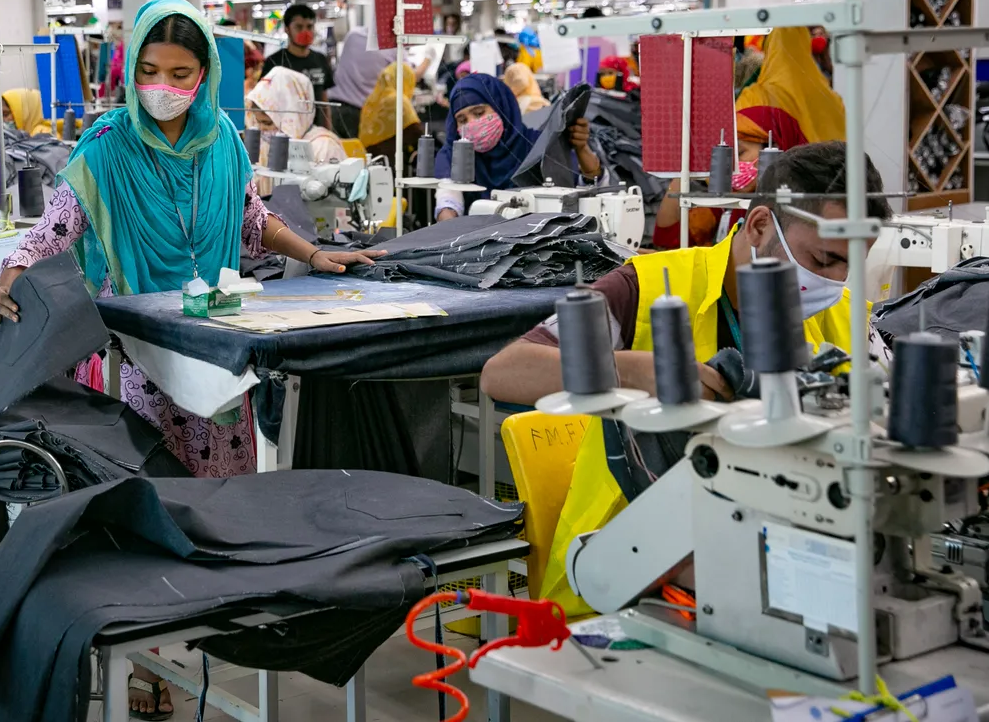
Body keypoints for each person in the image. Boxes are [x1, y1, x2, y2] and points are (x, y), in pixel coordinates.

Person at [0, 0, 381, 720]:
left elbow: (254, 223)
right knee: (149, 516)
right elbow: (57, 227)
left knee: (219, 517)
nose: (164, 85)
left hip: (217, 364)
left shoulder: (222, 139)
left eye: (182, 73)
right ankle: (148, 666)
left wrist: (319, 255)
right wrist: (10, 273)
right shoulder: (105, 149)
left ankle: (220, 635)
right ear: (132, 69)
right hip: (141, 368)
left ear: (205, 76)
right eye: (152, 70)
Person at [481, 141, 889, 615]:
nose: (838, 280)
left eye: (851, 263)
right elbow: (502, 372)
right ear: (759, 226)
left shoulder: (846, 319)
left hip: (772, 552)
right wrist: (631, 370)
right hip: (627, 572)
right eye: (823, 261)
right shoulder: (648, 285)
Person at [434, 74, 600, 220]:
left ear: (501, 107)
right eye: (462, 120)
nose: (472, 124)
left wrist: (581, 149)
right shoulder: (454, 156)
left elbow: (584, 191)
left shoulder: (537, 145)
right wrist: (449, 222)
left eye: (479, 113)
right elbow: (448, 203)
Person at [736, 25, 845, 161]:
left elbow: (732, 149)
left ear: (769, 48)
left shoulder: (756, 96)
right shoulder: (832, 98)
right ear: (805, 44)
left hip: (779, 178)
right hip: (827, 177)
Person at [246, 66, 345, 167]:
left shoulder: (324, 148)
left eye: (267, 123)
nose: (261, 129)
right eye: (258, 122)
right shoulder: (266, 147)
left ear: (291, 117)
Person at [262, 3, 334, 125]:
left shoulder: (321, 59)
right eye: (299, 27)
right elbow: (264, 101)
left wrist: (328, 131)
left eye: (309, 27)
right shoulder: (274, 63)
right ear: (287, 29)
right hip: (284, 133)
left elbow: (324, 100)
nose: (305, 32)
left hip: (316, 133)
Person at [325, 27, 387, 139]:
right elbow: (412, 75)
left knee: (333, 152)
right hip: (358, 113)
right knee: (354, 153)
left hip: (334, 107)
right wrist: (428, 57)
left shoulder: (352, 35)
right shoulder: (391, 48)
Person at [357, 61, 422, 165]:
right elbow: (417, 133)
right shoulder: (398, 99)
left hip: (369, 160)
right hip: (392, 164)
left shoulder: (371, 100)